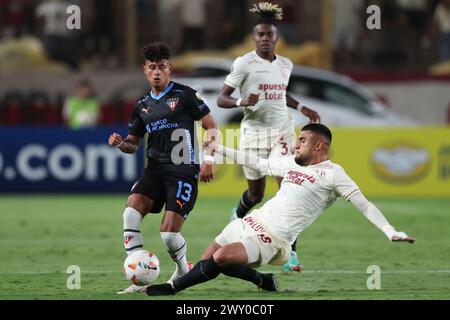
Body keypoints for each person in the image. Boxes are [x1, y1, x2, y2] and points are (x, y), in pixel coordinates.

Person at [144, 123, 416, 296]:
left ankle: (170, 289)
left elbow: (364, 205)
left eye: (303, 140)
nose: (296, 143)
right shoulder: (292, 163)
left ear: (319, 146)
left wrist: (390, 231)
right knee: (208, 260)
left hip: (274, 239)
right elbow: (259, 165)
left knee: (222, 258)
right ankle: (264, 282)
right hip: (252, 221)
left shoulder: (334, 174)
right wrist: (221, 148)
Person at [216, 2, 320, 273]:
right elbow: (222, 98)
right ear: (254, 37)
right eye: (260, 35)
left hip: (283, 135)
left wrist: (300, 107)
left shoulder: (286, 64)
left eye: (269, 35)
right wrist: (241, 100)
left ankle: (292, 255)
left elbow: (280, 93)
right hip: (253, 136)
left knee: (291, 193)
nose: (264, 39)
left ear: (276, 37)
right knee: (256, 194)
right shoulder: (243, 63)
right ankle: (238, 215)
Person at [108, 42, 218, 294]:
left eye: (161, 67)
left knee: (168, 236)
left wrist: (209, 160)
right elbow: (133, 145)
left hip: (182, 172)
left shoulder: (185, 95)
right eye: (151, 68)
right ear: (144, 70)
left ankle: (182, 269)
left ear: (169, 68)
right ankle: (140, 273)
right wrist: (120, 144)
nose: (156, 72)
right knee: (130, 213)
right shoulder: (142, 105)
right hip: (154, 170)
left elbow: (211, 125)